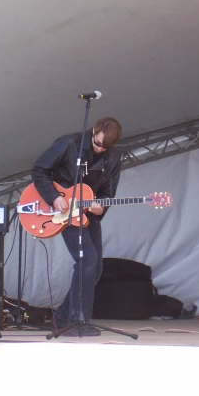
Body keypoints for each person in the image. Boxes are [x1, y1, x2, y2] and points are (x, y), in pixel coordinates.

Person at [31, 116, 123, 336]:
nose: (100, 149)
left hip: (86, 214)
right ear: (93, 132)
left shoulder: (114, 157)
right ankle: (77, 320)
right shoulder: (68, 144)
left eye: (105, 147)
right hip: (62, 210)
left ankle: (63, 317)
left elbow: (108, 193)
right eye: (97, 143)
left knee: (96, 267)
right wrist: (53, 197)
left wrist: (100, 207)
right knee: (87, 260)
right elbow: (39, 170)